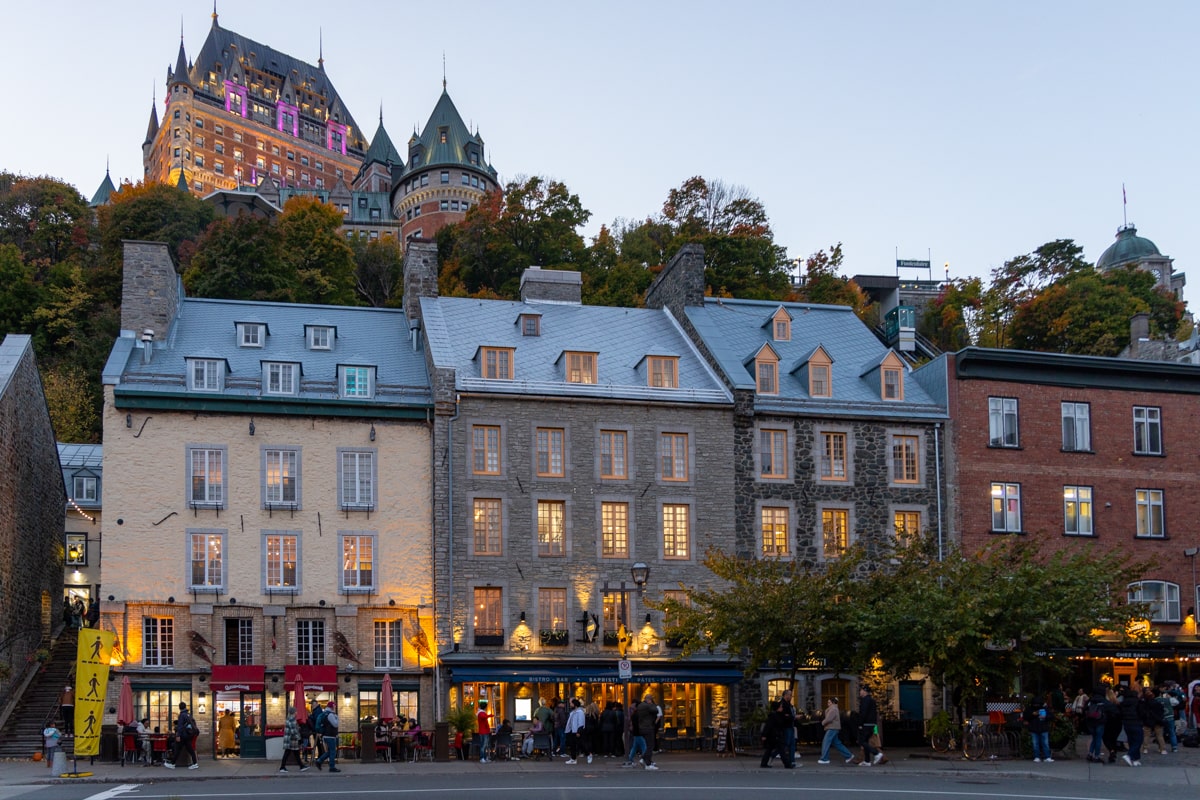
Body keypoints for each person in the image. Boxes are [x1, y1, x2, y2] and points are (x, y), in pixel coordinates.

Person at [817, 697, 854, 764]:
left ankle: (824, 758)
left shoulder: (833, 709)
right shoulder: (834, 708)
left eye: (829, 702)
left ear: (833, 703)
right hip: (834, 728)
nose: (828, 704)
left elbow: (829, 719)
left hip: (832, 728)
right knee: (837, 743)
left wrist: (823, 722)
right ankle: (849, 755)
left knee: (826, 742)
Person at [760, 700, 796, 768]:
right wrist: (764, 735)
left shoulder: (779, 715)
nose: (782, 708)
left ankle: (764, 763)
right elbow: (768, 726)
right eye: (781, 707)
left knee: (770, 750)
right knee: (781, 750)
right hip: (775, 736)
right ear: (777, 708)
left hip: (775, 735)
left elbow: (787, 718)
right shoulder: (773, 716)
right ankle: (787, 764)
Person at [164, 701, 198, 769]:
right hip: (188, 735)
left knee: (178, 749)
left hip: (183, 735)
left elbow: (180, 726)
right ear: (185, 707)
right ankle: (195, 763)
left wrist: (178, 735)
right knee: (190, 749)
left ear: (179, 708)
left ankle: (173, 764)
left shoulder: (182, 715)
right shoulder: (188, 714)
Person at [1118, 686, 1146, 766]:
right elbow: (1142, 713)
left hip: (1126, 723)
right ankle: (1130, 755)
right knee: (1138, 740)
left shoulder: (1124, 703)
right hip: (1136, 722)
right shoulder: (1138, 702)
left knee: (1131, 740)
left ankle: (1135, 758)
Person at [857, 687, 884, 766]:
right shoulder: (871, 700)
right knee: (865, 741)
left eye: (861, 690)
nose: (860, 692)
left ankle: (876, 753)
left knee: (862, 741)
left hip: (866, 724)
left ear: (865, 691)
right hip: (871, 723)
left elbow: (863, 713)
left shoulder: (865, 700)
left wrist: (860, 723)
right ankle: (867, 761)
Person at [1023, 696, 1053, 762]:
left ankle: (1044, 756)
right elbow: (1025, 717)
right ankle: (1041, 756)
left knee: (1040, 743)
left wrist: (1045, 717)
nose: (1036, 705)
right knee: (1039, 743)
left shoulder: (1031, 709)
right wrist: (1033, 714)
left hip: (1039, 727)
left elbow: (1051, 716)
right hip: (1038, 728)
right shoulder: (1032, 709)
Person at [279, 707, 309, 773]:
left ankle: (301, 766)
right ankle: (282, 767)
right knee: (289, 753)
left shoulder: (289, 718)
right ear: (293, 712)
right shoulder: (292, 719)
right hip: (292, 739)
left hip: (290, 739)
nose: (296, 712)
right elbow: (293, 731)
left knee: (295, 753)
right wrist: (299, 738)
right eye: (296, 711)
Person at [314, 701, 341, 772]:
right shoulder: (330, 715)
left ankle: (319, 761)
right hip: (330, 736)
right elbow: (335, 724)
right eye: (334, 706)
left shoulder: (326, 714)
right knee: (332, 752)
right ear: (332, 707)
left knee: (330, 751)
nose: (335, 707)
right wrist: (337, 718)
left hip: (327, 735)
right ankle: (332, 767)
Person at [635, 694, 660, 769]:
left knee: (648, 744)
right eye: (651, 700)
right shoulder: (648, 706)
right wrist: (652, 704)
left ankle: (644, 759)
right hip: (648, 727)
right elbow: (656, 710)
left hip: (642, 727)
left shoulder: (640, 706)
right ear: (649, 700)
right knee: (650, 745)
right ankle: (647, 763)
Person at [779, 689, 798, 765]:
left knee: (792, 744)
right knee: (786, 743)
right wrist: (794, 717)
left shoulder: (788, 704)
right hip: (786, 726)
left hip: (790, 726)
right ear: (785, 695)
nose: (791, 696)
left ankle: (792, 760)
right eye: (790, 695)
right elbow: (784, 716)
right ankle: (774, 755)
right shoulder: (783, 704)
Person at [564, 697, 585, 764]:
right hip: (572, 730)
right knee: (573, 745)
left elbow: (581, 722)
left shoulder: (580, 712)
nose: (570, 705)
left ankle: (588, 753)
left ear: (574, 704)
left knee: (579, 744)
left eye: (571, 703)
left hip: (576, 731)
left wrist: (579, 731)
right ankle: (573, 758)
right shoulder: (573, 712)